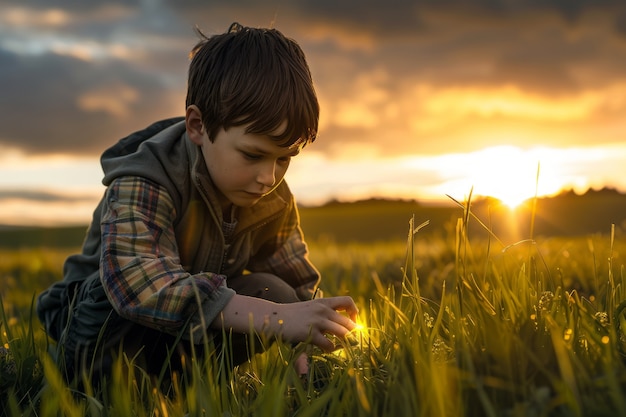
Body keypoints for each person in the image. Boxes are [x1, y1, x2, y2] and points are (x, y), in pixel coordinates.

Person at [36, 22, 358, 384]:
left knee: (277, 292)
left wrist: (302, 344)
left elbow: (298, 288)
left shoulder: (271, 198)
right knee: (113, 290)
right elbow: (138, 285)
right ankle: (89, 387)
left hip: (180, 332)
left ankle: (185, 385)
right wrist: (276, 319)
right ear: (197, 126)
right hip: (98, 328)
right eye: (253, 155)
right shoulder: (146, 176)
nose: (268, 178)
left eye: (284, 159)